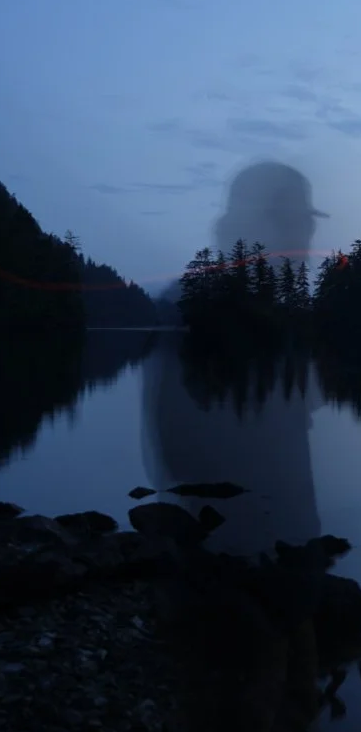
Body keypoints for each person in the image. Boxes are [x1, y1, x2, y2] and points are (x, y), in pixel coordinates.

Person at [141, 160, 329, 556]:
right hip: (241, 552)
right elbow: (179, 444)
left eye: (307, 222)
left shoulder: (274, 309)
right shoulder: (203, 307)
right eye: (294, 221)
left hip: (279, 544)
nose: (307, 234)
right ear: (255, 223)